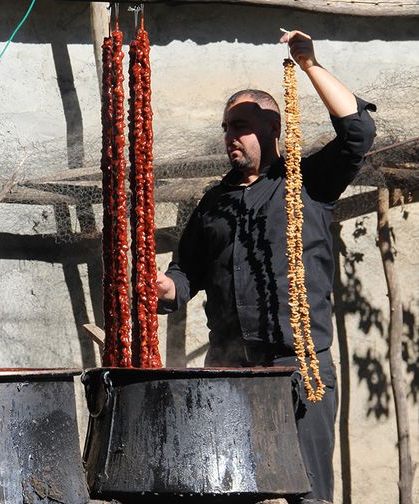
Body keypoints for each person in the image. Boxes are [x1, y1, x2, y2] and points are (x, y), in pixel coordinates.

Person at [156, 31, 376, 504]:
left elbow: (358, 134)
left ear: (273, 130)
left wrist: (309, 64)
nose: (230, 136)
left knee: (307, 494)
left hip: (298, 368)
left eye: (241, 125)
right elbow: (184, 275)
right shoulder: (213, 203)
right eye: (226, 126)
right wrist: (161, 287)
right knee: (229, 491)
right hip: (230, 370)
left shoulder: (309, 181)